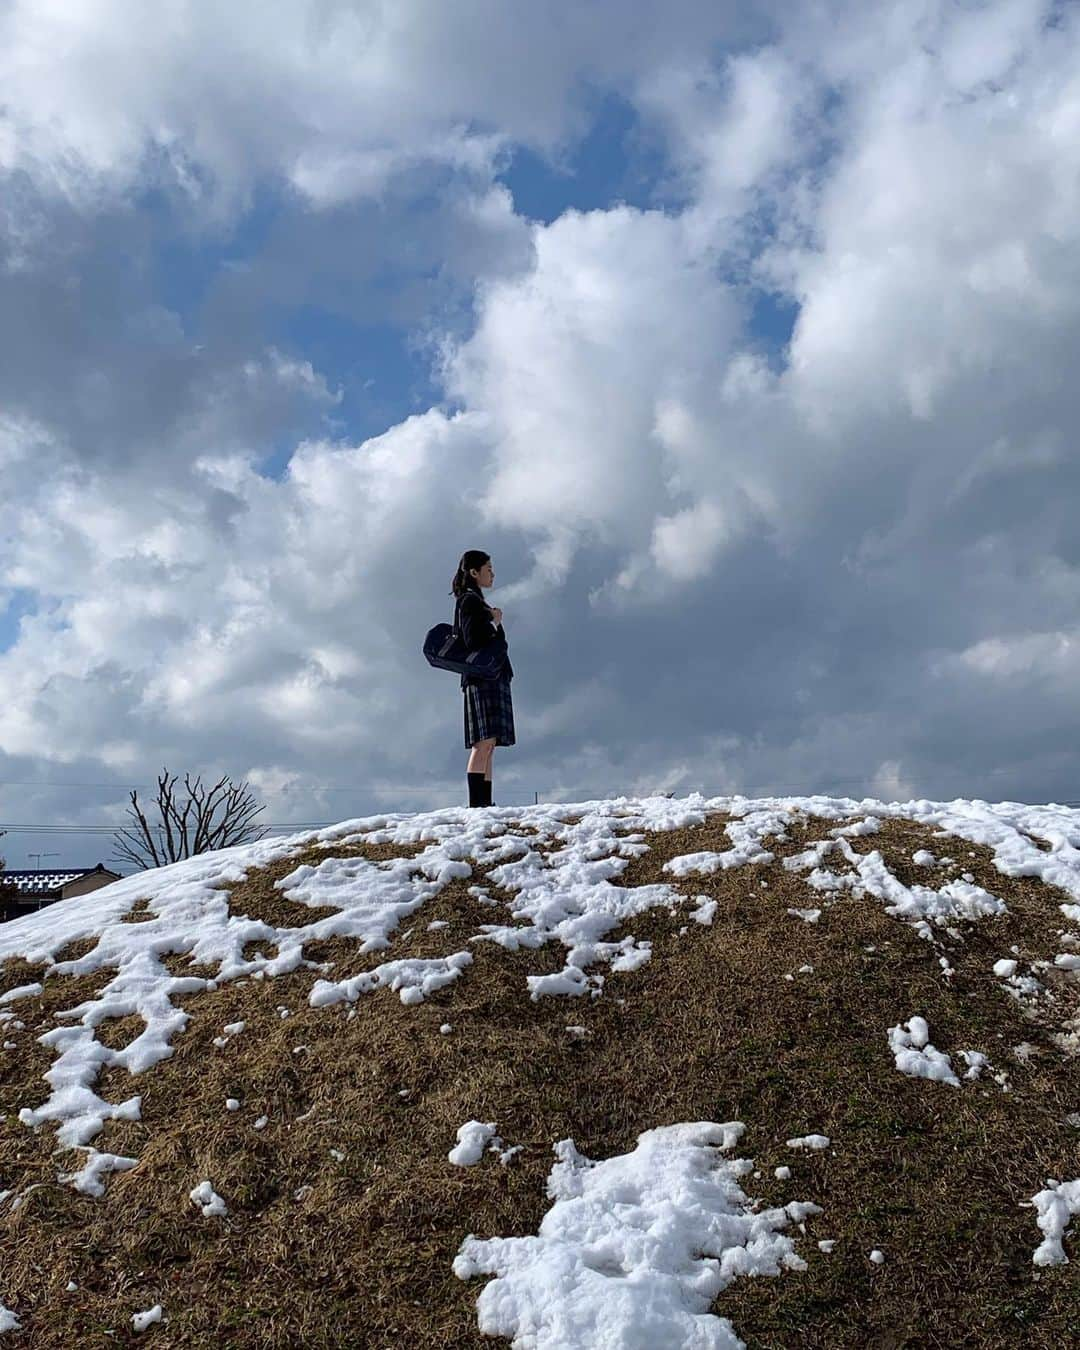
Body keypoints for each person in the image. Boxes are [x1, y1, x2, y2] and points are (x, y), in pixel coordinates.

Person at [450, 550, 515, 807]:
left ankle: (485, 803)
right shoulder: (468, 601)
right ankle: (477, 804)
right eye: (488, 568)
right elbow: (472, 639)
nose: (492, 573)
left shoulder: (477, 602)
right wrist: (494, 623)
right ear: (474, 572)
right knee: (483, 742)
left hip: (490, 676)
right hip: (481, 678)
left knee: (489, 744)